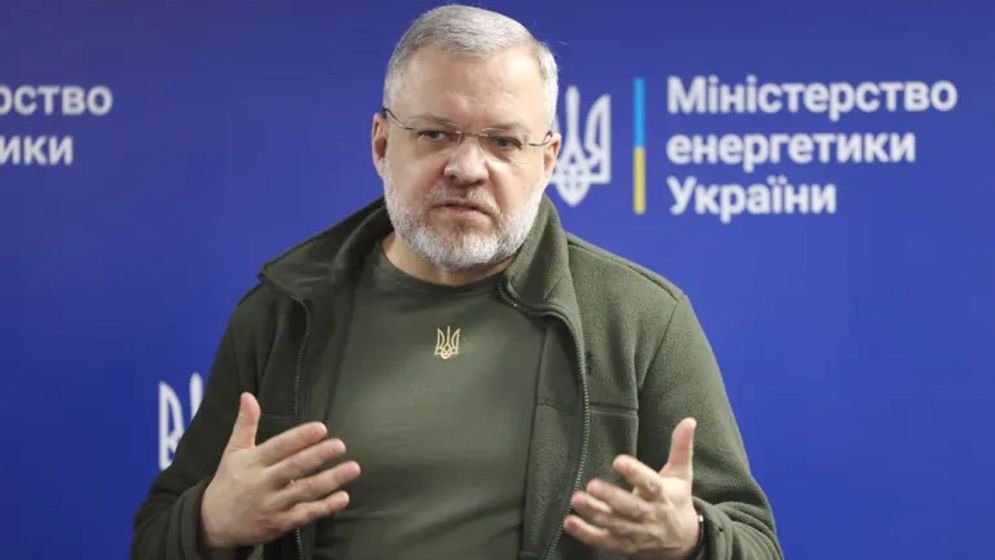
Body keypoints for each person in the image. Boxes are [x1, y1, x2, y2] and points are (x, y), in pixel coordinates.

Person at [132, 5, 783, 560]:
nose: (467, 167)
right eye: (436, 133)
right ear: (382, 144)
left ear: (548, 159)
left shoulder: (642, 319)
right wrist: (211, 524)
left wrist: (691, 540)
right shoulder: (282, 311)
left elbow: (756, 544)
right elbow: (155, 539)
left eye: (503, 142)